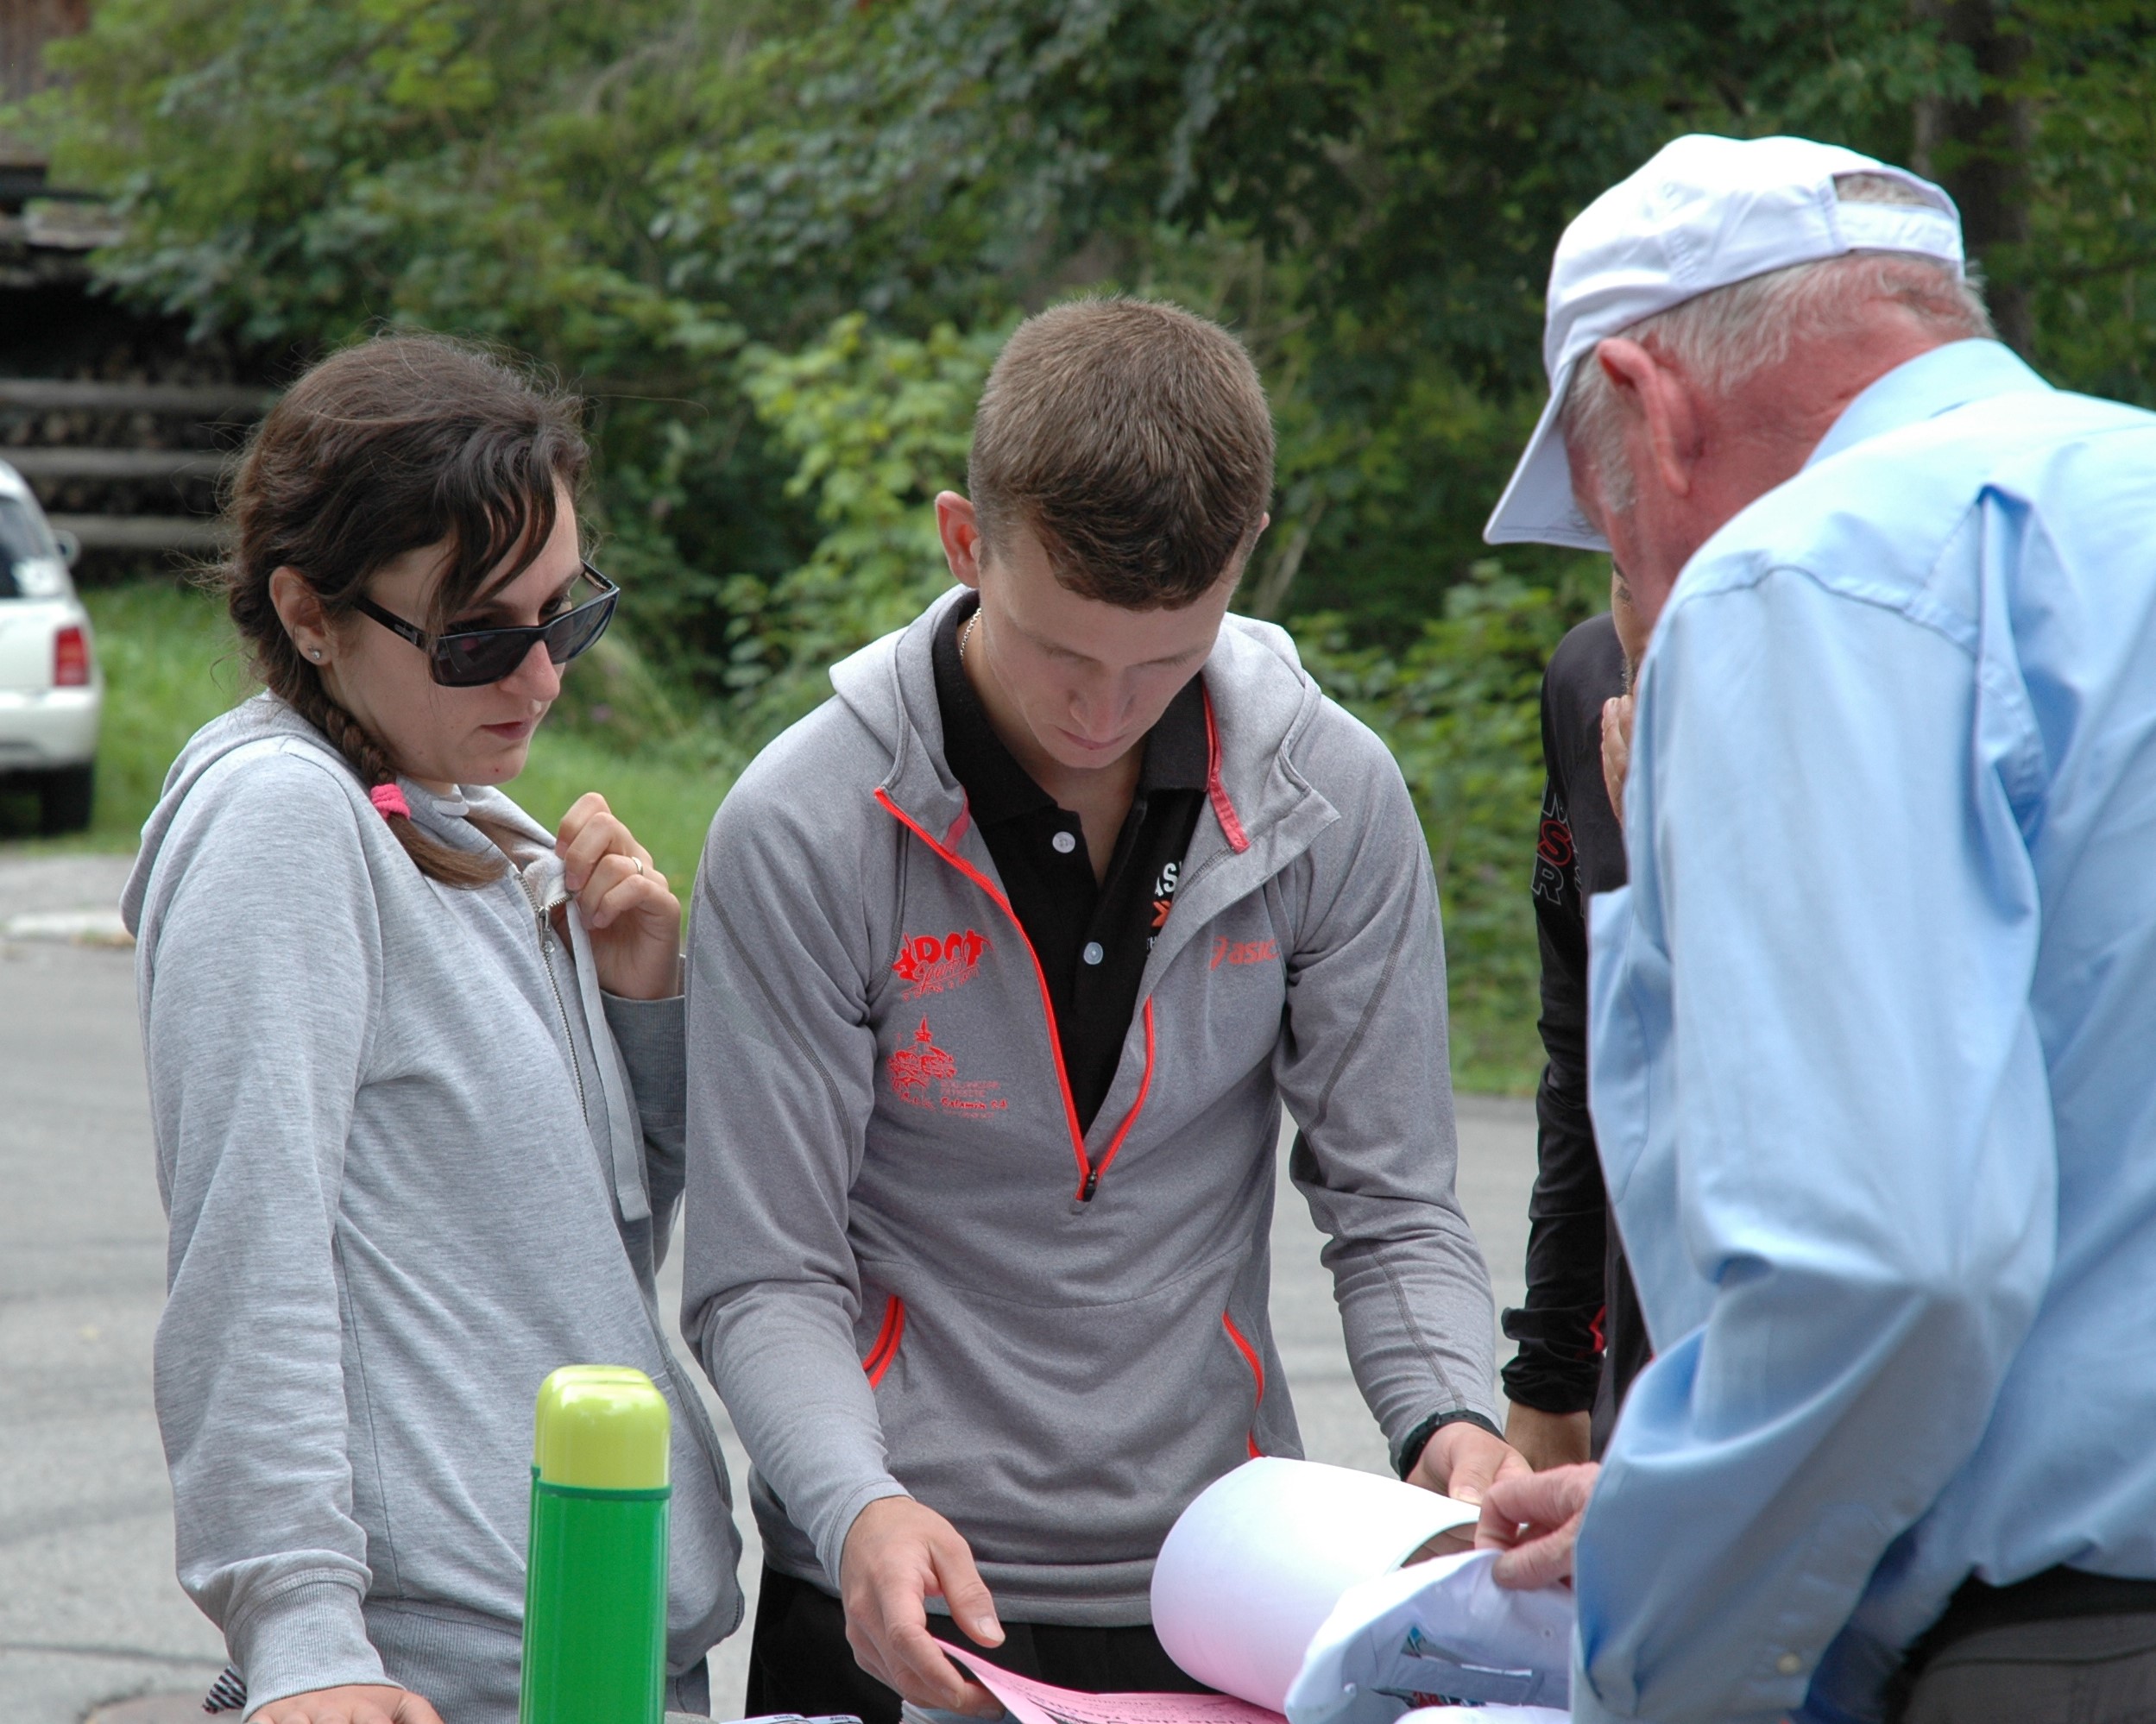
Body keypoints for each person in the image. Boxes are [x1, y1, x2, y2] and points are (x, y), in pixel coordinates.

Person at [681, 297, 1524, 1724]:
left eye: (1163, 662)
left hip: (1218, 1580)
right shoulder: (805, 826)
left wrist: (1449, 1421)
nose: (1102, 712)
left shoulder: (1329, 797)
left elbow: (1391, 1204)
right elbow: (763, 1273)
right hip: (892, 1581)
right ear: (965, 541)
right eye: (1060, 652)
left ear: (1240, 565)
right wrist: (854, 1502)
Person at [1470, 130, 2156, 1723]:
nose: (1635, 598)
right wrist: (1674, 1496)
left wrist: (1658, 1648)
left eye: (1607, 526)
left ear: (1645, 402)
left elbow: (1880, 1268)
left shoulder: (1797, 576)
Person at [120, 335, 742, 1724]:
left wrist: (638, 1006)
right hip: (435, 1673)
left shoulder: (471, 825)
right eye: (476, 637)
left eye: (561, 613)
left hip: (600, 1635)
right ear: (310, 612)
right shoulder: (285, 820)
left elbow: (567, 1261)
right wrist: (301, 1632)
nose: (541, 679)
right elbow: (248, 1250)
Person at [1500, 571, 1651, 1470]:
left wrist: (1673, 853)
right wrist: (1551, 1378)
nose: (1656, 638)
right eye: (1628, 581)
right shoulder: (1590, 677)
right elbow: (1586, 1049)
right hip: (1638, 1369)